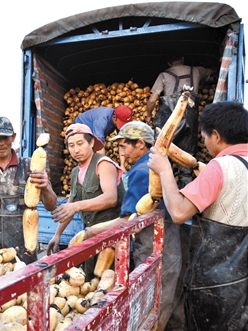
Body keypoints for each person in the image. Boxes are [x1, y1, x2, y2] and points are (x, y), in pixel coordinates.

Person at [148, 101, 248, 331]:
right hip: (242, 284)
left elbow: (179, 212)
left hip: (215, 289)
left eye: (204, 136)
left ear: (216, 135)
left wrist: (164, 170)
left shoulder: (220, 167)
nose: (204, 142)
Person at [84, 121, 182, 331]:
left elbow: (127, 222)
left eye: (123, 146)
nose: (121, 152)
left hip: (155, 244)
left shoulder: (141, 171)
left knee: (151, 302)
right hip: (171, 242)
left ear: (140, 144)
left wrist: (93, 231)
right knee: (168, 297)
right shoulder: (156, 163)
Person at [0, 116, 57, 264]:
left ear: (13, 137)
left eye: (5, 137)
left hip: (23, 252)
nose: (1, 143)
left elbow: (51, 205)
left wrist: (45, 187)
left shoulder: (29, 166)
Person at [46, 123, 125, 280]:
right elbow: (69, 206)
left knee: (107, 281)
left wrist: (76, 206)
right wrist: (57, 234)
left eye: (80, 144)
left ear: (91, 143)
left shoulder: (103, 164)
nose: (76, 150)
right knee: (88, 280)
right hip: (90, 236)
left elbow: (111, 198)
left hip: (110, 237)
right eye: (71, 145)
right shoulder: (75, 172)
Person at [146, 53, 214, 188]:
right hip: (190, 120)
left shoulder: (164, 75)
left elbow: (153, 99)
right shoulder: (196, 71)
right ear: (182, 59)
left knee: (160, 156)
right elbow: (212, 73)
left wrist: (148, 115)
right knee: (186, 161)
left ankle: (161, 196)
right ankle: (185, 196)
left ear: (169, 63)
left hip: (168, 123)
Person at [75, 105, 133, 170]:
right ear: (114, 117)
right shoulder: (102, 120)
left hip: (94, 130)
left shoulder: (117, 119)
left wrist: (122, 165)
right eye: (121, 124)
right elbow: (99, 145)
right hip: (81, 125)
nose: (122, 127)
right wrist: (103, 168)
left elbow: (122, 143)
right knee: (87, 151)